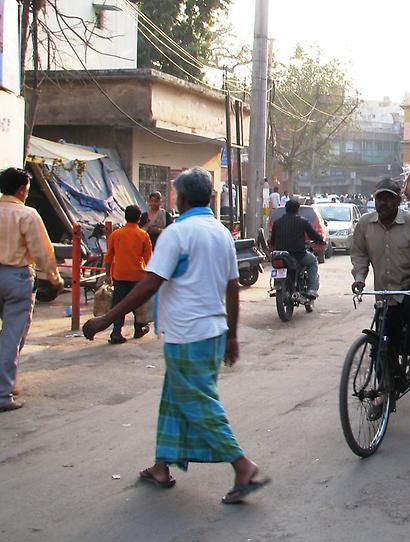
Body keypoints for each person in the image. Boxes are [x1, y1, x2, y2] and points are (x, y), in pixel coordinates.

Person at [83, 167, 270, 504]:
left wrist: (106, 318)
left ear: (181, 199)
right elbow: (232, 289)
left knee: (198, 402)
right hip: (213, 332)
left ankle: (241, 464)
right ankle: (161, 465)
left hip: (187, 333)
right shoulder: (221, 233)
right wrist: (232, 335)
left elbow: (150, 283)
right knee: (175, 397)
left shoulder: (176, 233)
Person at [351, 177, 410, 408]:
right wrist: (359, 279)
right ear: (374, 200)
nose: (384, 202)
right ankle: (384, 392)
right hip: (385, 293)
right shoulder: (365, 224)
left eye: (389, 198)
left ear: (398, 200)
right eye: (380, 197)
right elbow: (359, 255)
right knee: (381, 346)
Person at [0, 167, 63, 412]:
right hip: (16, 277)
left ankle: (7, 383)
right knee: (12, 336)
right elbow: (42, 251)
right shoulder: (27, 215)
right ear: (22, 189)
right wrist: (54, 278)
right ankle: (3, 393)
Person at [105, 205, 153, 344]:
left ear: (125, 217)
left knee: (119, 305)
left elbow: (108, 257)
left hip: (119, 274)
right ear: (139, 219)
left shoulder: (116, 234)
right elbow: (149, 258)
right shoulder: (143, 235)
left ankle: (116, 333)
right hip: (137, 275)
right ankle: (138, 329)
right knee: (138, 304)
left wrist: (108, 275)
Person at [270, 198, 324, 301]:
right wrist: (321, 241)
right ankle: (312, 289)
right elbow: (314, 235)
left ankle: (277, 284)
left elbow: (272, 240)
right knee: (313, 261)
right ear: (297, 210)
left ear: (286, 209)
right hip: (298, 255)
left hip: (279, 255)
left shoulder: (277, 222)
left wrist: (273, 248)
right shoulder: (302, 222)